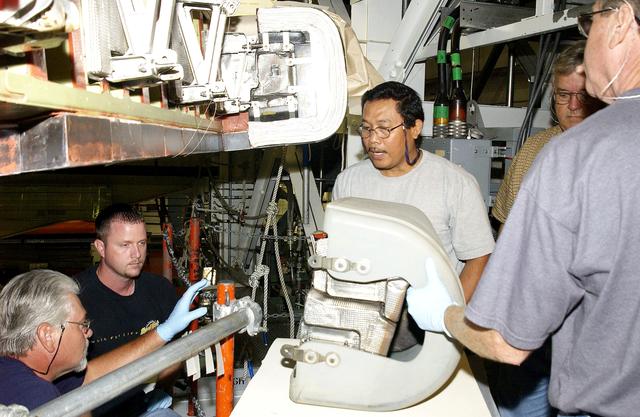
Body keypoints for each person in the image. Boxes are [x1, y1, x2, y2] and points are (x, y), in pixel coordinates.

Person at [406, 1, 640, 416]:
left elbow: (504, 340)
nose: (587, 43)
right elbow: (504, 229)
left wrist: (444, 314)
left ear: (620, 20)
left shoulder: (578, 155)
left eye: (590, 24)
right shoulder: (539, 150)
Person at [332, 81, 494, 351]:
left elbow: (479, 257)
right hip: (363, 319)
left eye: (385, 129)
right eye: (367, 128)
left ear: (415, 128)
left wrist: (450, 319)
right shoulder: (349, 182)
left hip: (427, 324)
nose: (373, 140)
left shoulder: (453, 182)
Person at [489, 41, 603, 417]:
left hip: (589, 327)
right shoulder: (534, 150)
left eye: (581, 96)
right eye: (562, 95)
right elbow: (506, 229)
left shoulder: (616, 155)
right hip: (529, 319)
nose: (571, 107)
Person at [0, 269, 207, 415]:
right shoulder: (36, 400)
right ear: (47, 336)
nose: (89, 332)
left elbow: (92, 375)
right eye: (82, 324)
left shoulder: (20, 370)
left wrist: (164, 331)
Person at [74, 203, 179, 417]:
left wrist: (157, 387)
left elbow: (175, 355)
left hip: (146, 405)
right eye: (125, 245)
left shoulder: (160, 290)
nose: (136, 254)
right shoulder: (75, 298)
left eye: (141, 243)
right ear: (101, 248)